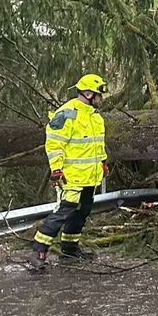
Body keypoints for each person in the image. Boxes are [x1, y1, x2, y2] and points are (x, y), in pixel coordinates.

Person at [29, 74, 109, 270]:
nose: (102, 99)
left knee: (82, 212)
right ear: (88, 93)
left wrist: (103, 162)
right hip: (71, 176)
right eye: (99, 95)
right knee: (63, 212)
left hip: (90, 176)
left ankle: (70, 250)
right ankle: (38, 250)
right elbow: (54, 144)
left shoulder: (95, 117)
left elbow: (97, 144)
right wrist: (56, 169)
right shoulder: (67, 113)